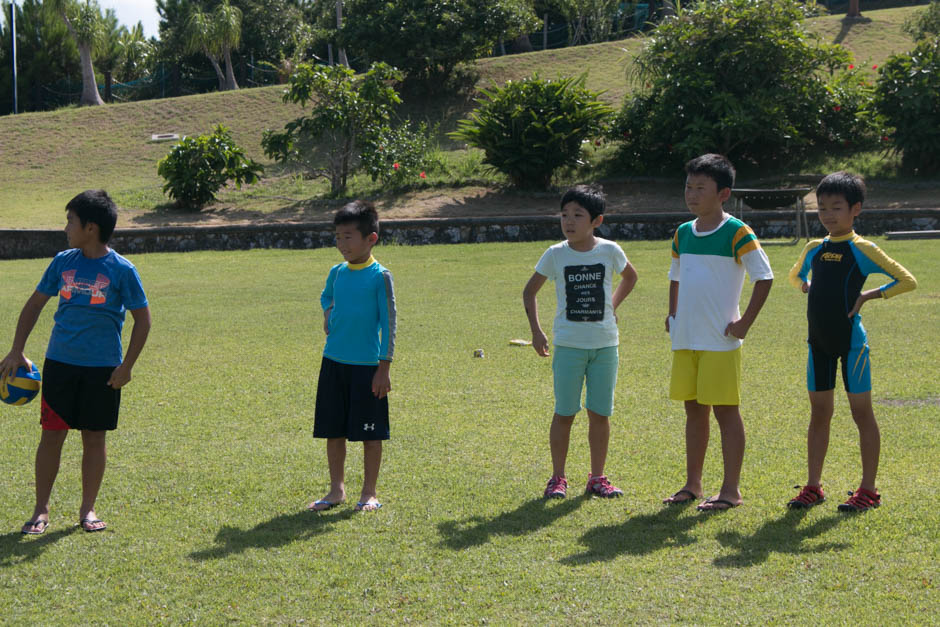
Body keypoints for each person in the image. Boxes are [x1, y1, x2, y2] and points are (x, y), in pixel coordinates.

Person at [0, 190, 151, 535]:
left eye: (70, 220)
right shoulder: (63, 261)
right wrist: (16, 349)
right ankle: (40, 509)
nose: (65, 227)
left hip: (103, 369)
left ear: (91, 228)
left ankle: (88, 509)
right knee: (51, 436)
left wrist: (126, 367)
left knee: (94, 439)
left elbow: (143, 320)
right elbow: (35, 304)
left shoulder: (122, 270)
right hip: (60, 365)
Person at [786, 172, 916, 512]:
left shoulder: (862, 248)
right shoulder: (815, 248)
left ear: (855, 209)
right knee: (819, 414)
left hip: (852, 344)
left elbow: (906, 280)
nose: (829, 215)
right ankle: (813, 486)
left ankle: (868, 490)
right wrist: (806, 286)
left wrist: (869, 295)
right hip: (818, 343)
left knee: (862, 413)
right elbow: (795, 275)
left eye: (837, 208)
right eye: (822, 208)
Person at [662, 154, 774, 511]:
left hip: (720, 341)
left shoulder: (737, 232)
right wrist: (672, 314)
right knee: (693, 411)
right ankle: (692, 485)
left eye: (700, 188)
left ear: (723, 193)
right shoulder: (682, 232)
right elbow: (676, 276)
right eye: (688, 187)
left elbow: (764, 277)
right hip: (686, 338)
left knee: (726, 411)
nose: (691, 195)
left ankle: (730, 491)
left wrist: (744, 324)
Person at [523, 184, 638, 499]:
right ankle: (558, 478)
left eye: (577, 215)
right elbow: (529, 291)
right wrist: (537, 331)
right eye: (564, 215)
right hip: (569, 347)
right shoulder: (555, 254)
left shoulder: (609, 250)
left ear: (596, 221)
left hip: (605, 347)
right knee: (565, 412)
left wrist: (611, 306)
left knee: (600, 413)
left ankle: (597, 478)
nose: (569, 222)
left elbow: (630, 277)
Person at [309, 200, 397, 513]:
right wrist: (327, 311)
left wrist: (383, 369)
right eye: (337, 237)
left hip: (367, 369)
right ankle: (336, 491)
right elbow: (326, 296)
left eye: (348, 237)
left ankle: (369, 492)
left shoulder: (380, 276)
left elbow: (389, 324)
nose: (341, 244)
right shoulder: (337, 273)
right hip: (333, 364)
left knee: (371, 436)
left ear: (370, 238)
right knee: (334, 431)